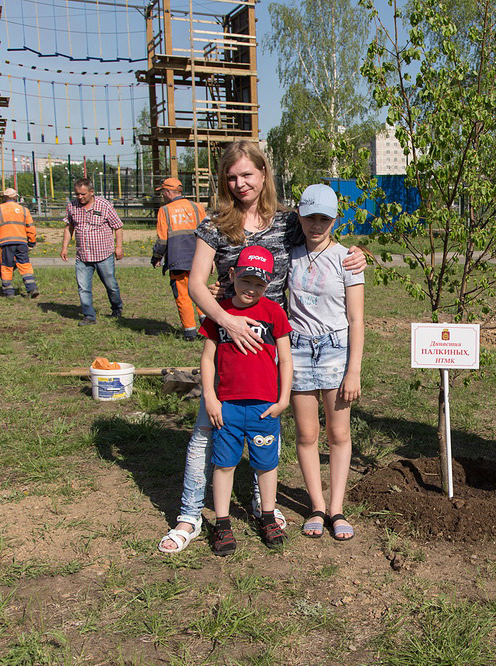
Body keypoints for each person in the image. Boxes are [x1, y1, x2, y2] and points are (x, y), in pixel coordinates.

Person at [157, 140, 367, 553]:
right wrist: (226, 320)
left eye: (246, 175)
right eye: (231, 177)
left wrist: (359, 254)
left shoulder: (286, 223)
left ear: (263, 174)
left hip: (276, 347)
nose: (239, 184)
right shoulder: (215, 225)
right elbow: (197, 284)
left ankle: (262, 504)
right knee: (207, 427)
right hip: (228, 345)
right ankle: (189, 515)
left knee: (263, 426)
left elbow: (322, 237)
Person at [199, 246, 292, 555]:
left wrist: (283, 399)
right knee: (224, 464)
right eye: (246, 280)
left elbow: (286, 359)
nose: (251, 289)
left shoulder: (273, 313)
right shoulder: (220, 313)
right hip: (227, 406)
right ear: (232, 275)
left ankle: (267, 515)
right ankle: (223, 523)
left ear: (268, 284)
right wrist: (211, 398)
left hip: (264, 407)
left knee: (266, 465)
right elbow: (208, 359)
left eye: (259, 283)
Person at [288, 184, 365, 541]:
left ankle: (337, 507)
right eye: (310, 217)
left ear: (334, 220)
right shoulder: (289, 253)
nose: (316, 225)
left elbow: (356, 319)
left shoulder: (348, 259)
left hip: (336, 350)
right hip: (297, 350)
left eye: (324, 218)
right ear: (300, 217)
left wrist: (354, 370)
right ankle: (316, 505)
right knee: (306, 434)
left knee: (338, 433)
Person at [60, 178, 124, 325]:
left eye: (83, 194)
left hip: (104, 254)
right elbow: (69, 227)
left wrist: (118, 247)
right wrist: (64, 247)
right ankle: (89, 316)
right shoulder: (72, 206)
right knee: (83, 287)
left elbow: (118, 226)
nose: (80, 197)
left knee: (111, 285)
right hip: (83, 256)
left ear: (91, 192)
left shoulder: (104, 205)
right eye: (77, 194)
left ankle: (116, 307)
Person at [151, 177, 206, 340]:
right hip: (199, 258)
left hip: (178, 260)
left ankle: (190, 332)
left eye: (163, 192)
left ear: (168, 192)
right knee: (201, 292)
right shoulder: (197, 207)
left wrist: (156, 256)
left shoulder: (165, 210)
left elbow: (162, 240)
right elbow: (208, 233)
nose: (162, 195)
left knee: (183, 294)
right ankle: (207, 326)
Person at [0, 188, 38, 298]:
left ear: (4, 198)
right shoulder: (24, 210)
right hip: (21, 242)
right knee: (24, 264)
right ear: (16, 197)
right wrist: (32, 242)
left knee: (6, 266)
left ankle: (8, 291)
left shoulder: (0, 209)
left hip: (6, 242)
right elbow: (31, 228)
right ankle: (32, 287)